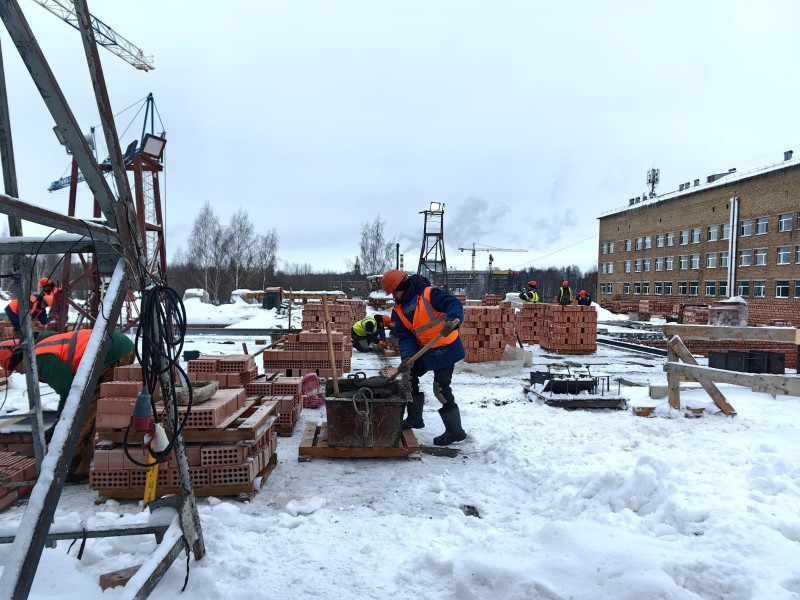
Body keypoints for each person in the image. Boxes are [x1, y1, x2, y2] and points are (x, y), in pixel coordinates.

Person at [5, 328, 135, 479]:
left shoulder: (41, 358)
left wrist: (59, 422)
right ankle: (108, 452)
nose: (20, 373)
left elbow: (70, 392)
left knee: (83, 415)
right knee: (97, 406)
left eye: (15, 369)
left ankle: (76, 469)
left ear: (19, 358)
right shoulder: (41, 344)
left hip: (112, 352)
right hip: (114, 345)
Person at [382, 269, 466, 446]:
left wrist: (452, 322)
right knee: (408, 375)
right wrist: (407, 358)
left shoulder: (429, 294)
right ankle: (414, 418)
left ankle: (455, 432)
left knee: (440, 389)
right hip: (425, 350)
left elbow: (454, 304)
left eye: (395, 291)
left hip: (445, 348)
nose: (394, 296)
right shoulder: (398, 310)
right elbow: (405, 337)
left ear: (403, 285)